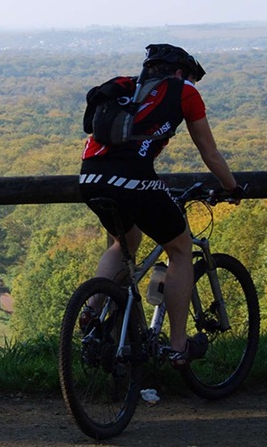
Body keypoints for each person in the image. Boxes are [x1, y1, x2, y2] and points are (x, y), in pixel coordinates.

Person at [78, 43, 243, 366]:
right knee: (180, 249)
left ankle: (92, 312)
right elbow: (210, 153)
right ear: (180, 73)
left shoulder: (124, 87)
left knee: (125, 241)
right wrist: (232, 187)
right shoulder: (184, 92)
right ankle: (178, 346)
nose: (193, 85)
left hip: (89, 177)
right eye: (191, 78)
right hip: (132, 180)